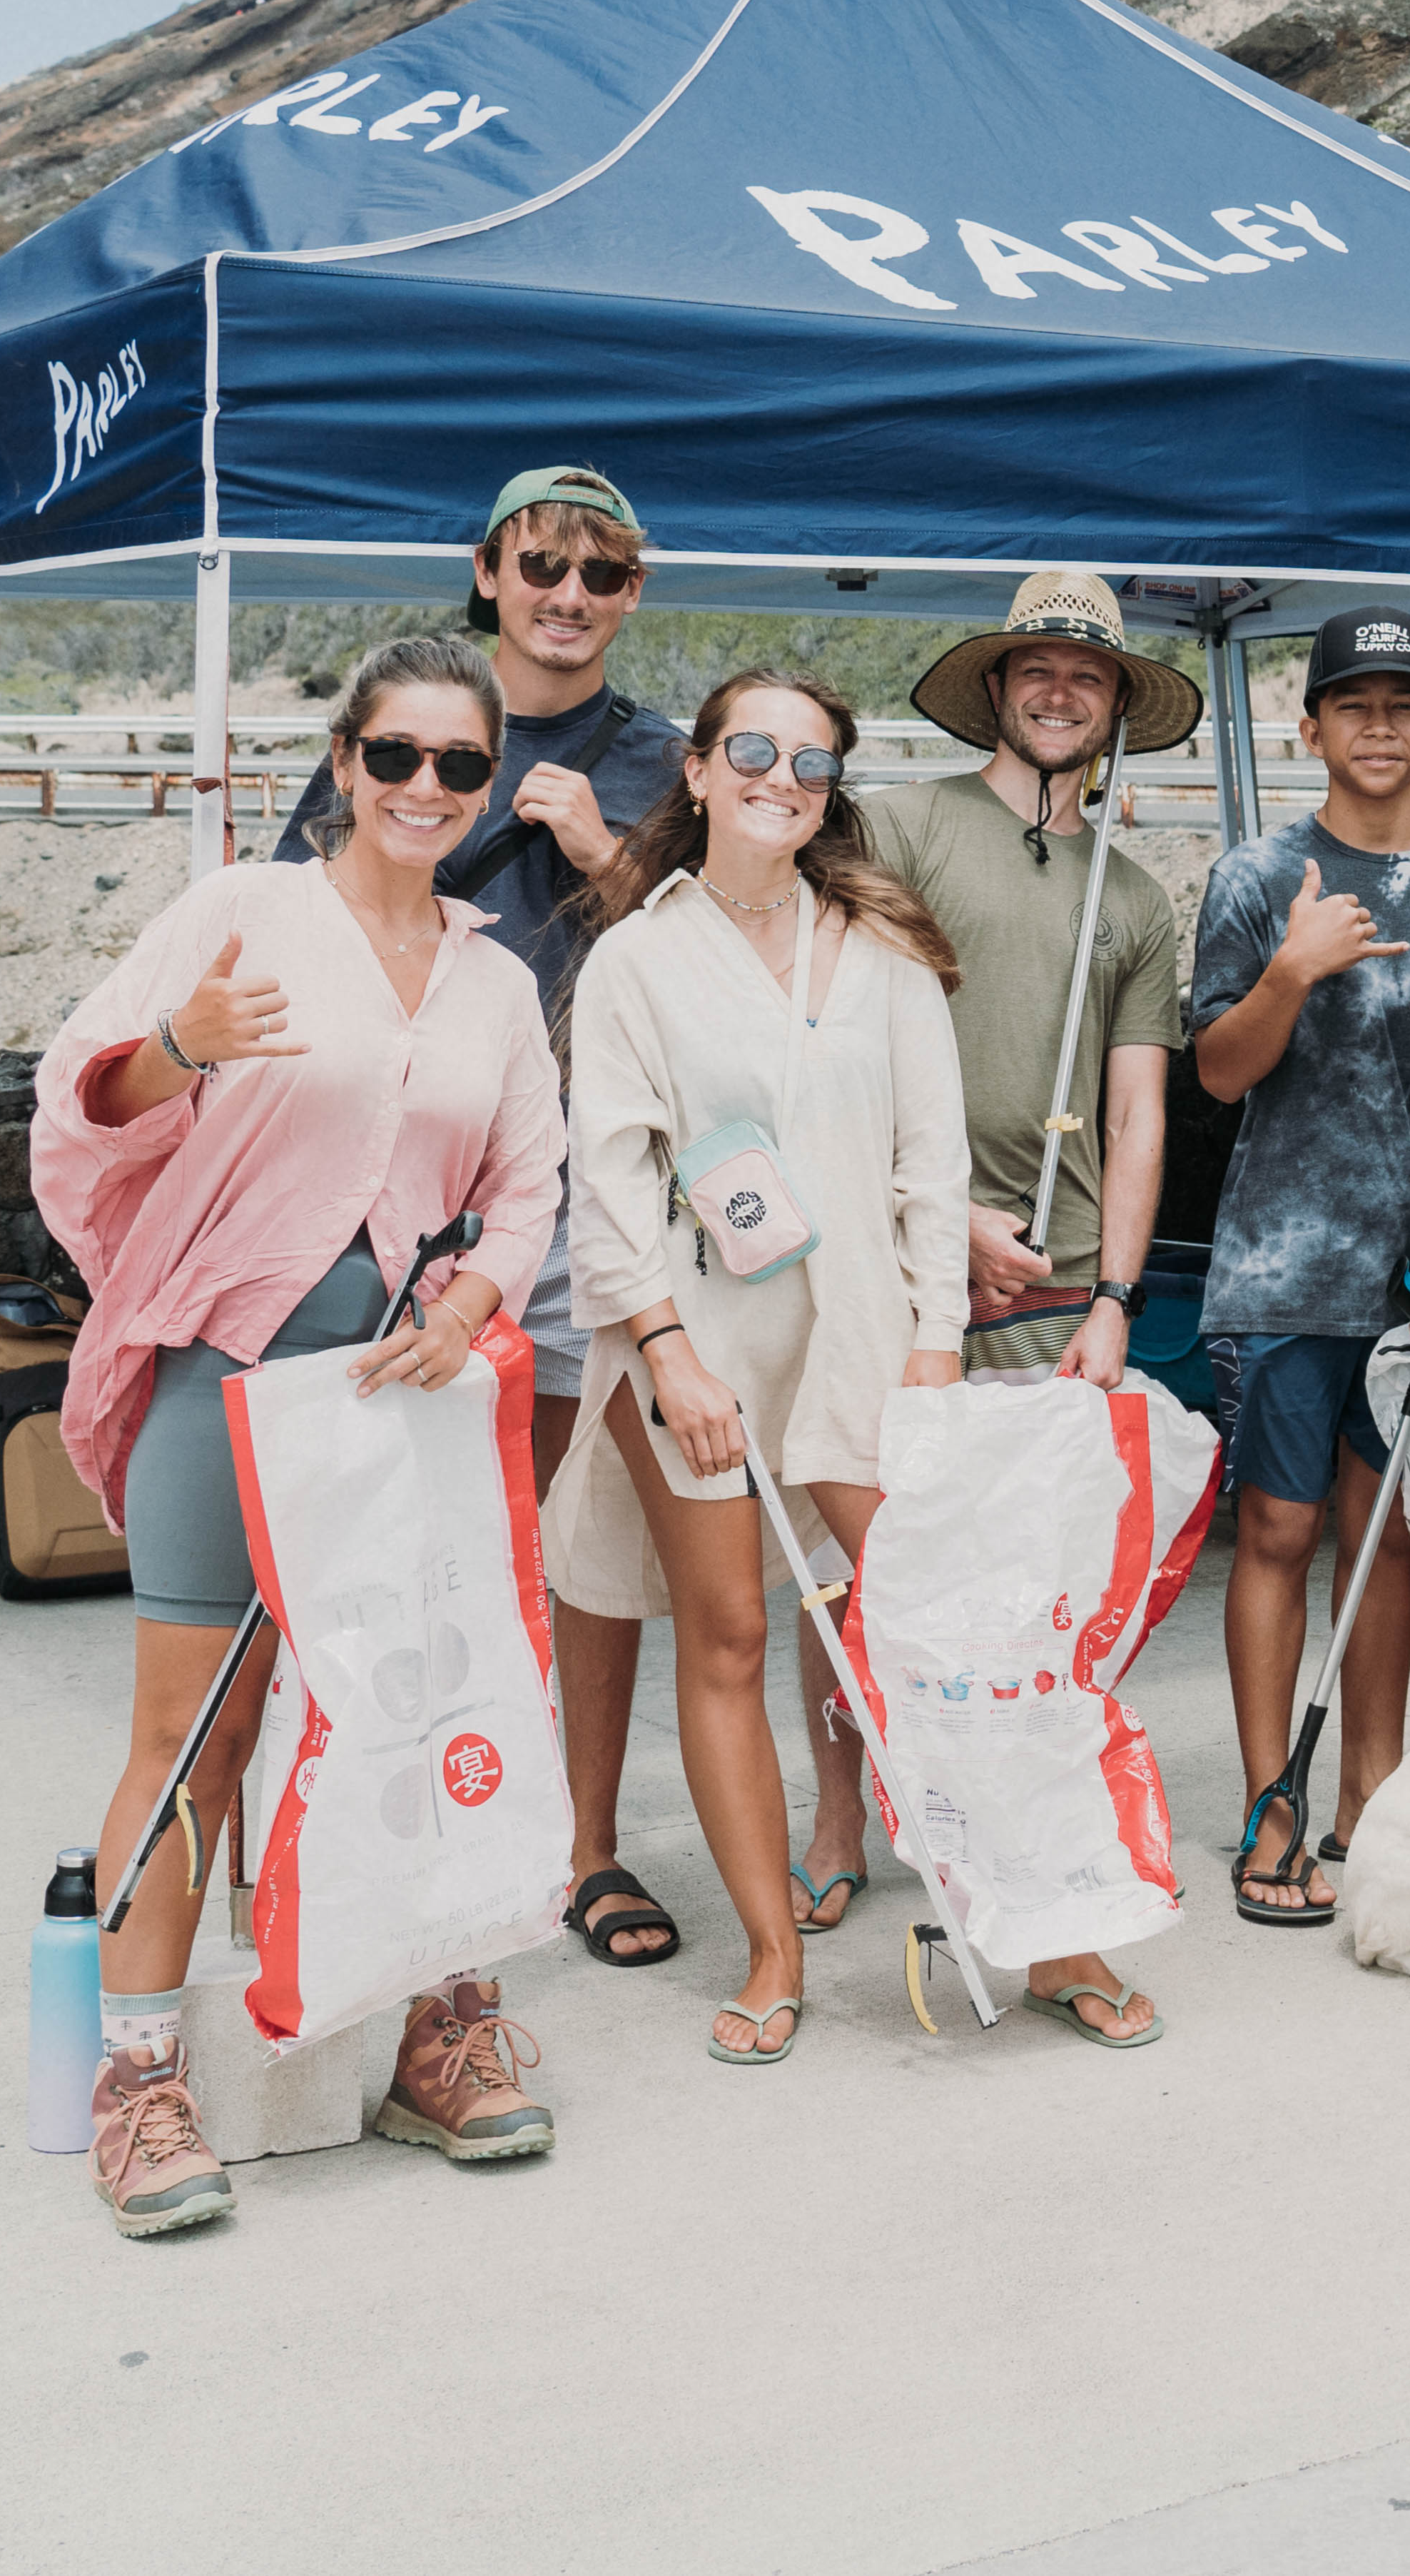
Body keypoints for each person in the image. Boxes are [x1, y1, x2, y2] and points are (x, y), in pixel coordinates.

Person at [34, 635, 567, 2236]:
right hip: (233, 1368)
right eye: (394, 756)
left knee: (418, 1711)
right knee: (195, 1732)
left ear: (485, 786)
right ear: (342, 761)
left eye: (458, 765)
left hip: (408, 1391)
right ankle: (142, 2075)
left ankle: (428, 2028)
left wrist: (478, 1300)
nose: (424, 788)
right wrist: (183, 1044)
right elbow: (89, 1096)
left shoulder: (496, 975)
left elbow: (534, 1179)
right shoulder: (241, 914)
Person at [279, 464, 690, 1979]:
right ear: (490, 570)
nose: (568, 595)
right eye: (542, 565)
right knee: (413, 1523)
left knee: (581, 1531)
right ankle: (412, 1808)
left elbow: (728, 947)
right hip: (394, 1195)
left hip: (587, 1187)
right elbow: (295, 914)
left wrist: (604, 851)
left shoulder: (661, 759)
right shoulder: (420, 723)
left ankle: (578, 1841)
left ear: (634, 589)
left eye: (601, 572)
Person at [548, 670, 973, 2066]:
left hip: (862, 1339)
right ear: (698, 767)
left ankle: (1040, 1921)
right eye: (753, 749)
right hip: (705, 1350)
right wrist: (666, 1353)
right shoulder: (635, 960)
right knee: (726, 1633)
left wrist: (935, 1343)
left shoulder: (883, 950)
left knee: (927, 1631)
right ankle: (772, 1948)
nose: (778, 776)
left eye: (808, 759)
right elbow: (609, 1180)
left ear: (830, 784)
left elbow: (931, 1165)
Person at [1185, 604, 1410, 1923]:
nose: (1378, 725)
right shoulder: (1257, 877)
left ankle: (1378, 1793)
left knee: (1385, 1535)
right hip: (1280, 1263)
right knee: (1283, 1527)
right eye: (1351, 704)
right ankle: (1272, 1803)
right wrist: (1293, 971)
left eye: (1402, 703)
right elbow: (1218, 1070)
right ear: (1308, 727)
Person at [866, 572, 1196, 1392]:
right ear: (995, 686)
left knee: (1036, 1518)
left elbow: (1135, 1113)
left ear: (1118, 703)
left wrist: (1115, 1299)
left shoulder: (1139, 898)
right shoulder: (898, 827)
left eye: (1089, 676)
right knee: (894, 1511)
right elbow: (835, 1049)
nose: (1060, 694)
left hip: (1060, 1277)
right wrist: (946, 1216)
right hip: (897, 1249)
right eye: (1036, 670)